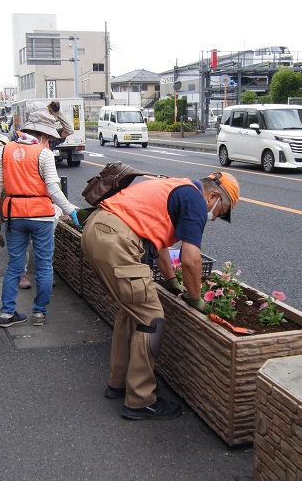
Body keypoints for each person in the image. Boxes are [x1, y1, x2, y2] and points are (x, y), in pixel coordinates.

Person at [81, 171, 240, 420]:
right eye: (219, 212)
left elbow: (159, 245)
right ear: (214, 196)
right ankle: (140, 401)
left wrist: (172, 283)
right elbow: (190, 259)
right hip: (117, 242)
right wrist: (196, 299)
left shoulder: (178, 187)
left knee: (132, 311)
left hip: (97, 231)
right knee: (152, 321)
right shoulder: (196, 201)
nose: (213, 218)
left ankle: (118, 383)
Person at [0, 104, 81, 328]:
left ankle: (7, 313)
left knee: (14, 266)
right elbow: (53, 188)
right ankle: (39, 313)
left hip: (13, 215)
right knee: (43, 266)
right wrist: (71, 211)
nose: (49, 141)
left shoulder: (5, 150)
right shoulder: (44, 153)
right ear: (41, 134)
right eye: (48, 137)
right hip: (41, 216)